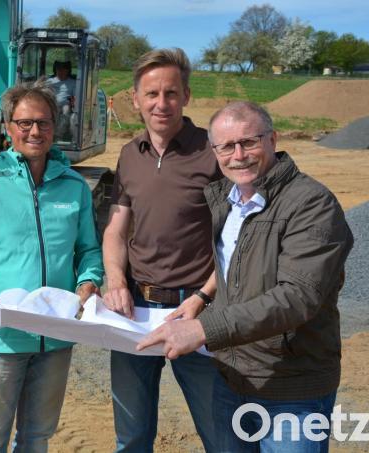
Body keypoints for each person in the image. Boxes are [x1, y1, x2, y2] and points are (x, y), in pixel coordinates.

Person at [137, 101, 354, 452]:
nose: (238, 155)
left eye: (249, 142)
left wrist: (205, 329)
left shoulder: (312, 204)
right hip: (231, 378)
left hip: (290, 389)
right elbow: (236, 267)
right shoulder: (227, 200)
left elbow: (298, 296)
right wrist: (203, 297)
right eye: (226, 146)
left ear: (272, 139)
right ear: (214, 152)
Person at [0, 80, 103, 453]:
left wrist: (89, 280)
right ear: (9, 126)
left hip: (56, 336)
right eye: (25, 123)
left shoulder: (74, 187)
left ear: (55, 126)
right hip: (1, 337)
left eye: (43, 122)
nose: (34, 131)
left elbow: (88, 250)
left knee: (36, 438)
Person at [101, 48, 221, 452]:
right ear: (136, 99)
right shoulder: (129, 154)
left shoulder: (213, 152)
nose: (161, 103)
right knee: (132, 436)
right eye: (151, 94)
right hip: (136, 309)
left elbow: (238, 238)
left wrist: (204, 296)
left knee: (220, 433)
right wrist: (116, 280)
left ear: (186, 95)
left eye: (171, 93)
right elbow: (116, 229)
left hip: (197, 311)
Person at [46, 60, 77, 142]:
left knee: (66, 111)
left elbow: (74, 96)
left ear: (68, 71)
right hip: (52, 103)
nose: (61, 72)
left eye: (63, 70)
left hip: (66, 104)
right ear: (55, 70)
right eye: (59, 69)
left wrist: (73, 102)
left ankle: (58, 135)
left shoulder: (73, 82)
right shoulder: (49, 82)